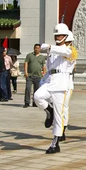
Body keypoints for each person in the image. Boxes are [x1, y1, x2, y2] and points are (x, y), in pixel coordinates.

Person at [34, 23, 74, 154]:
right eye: (56, 35)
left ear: (66, 36)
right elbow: (49, 68)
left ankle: (55, 143)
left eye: (61, 35)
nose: (58, 37)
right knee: (37, 96)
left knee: (59, 115)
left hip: (61, 84)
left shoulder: (70, 50)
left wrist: (51, 47)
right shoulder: (52, 51)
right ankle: (48, 109)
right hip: (50, 81)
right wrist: (43, 81)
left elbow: (66, 52)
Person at [60, 31, 77, 141]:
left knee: (64, 107)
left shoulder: (72, 51)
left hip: (67, 83)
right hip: (58, 83)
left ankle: (63, 130)